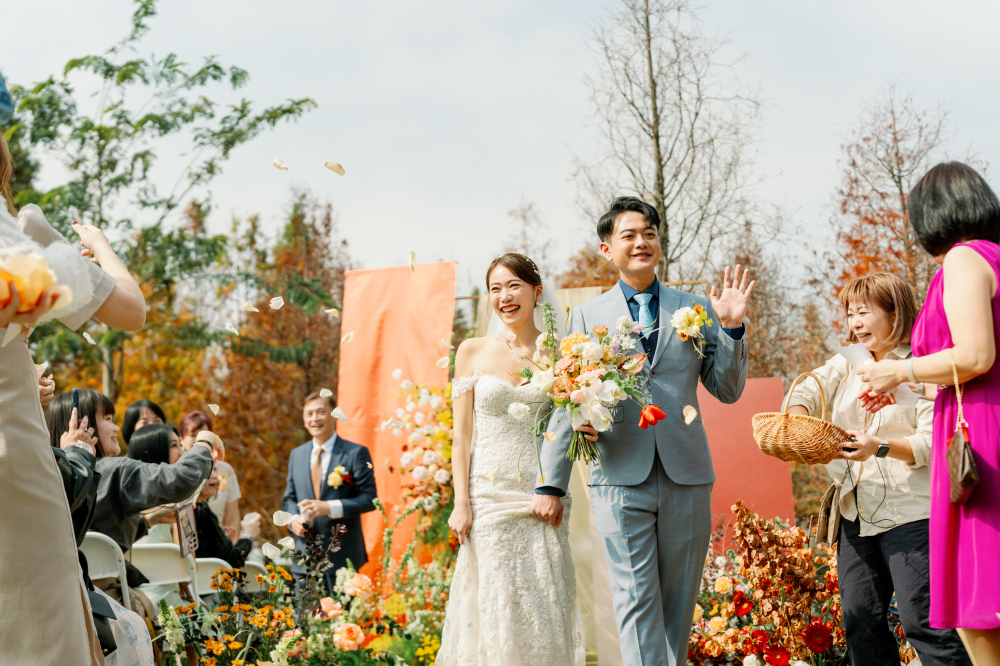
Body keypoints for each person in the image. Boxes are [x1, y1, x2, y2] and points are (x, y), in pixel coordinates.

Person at [537, 197, 751, 666]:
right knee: (635, 601)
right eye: (629, 235)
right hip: (618, 474)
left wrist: (731, 329)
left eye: (649, 234)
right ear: (606, 248)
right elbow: (564, 402)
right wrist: (551, 482)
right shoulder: (585, 318)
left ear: (660, 243)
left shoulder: (698, 309)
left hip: (687, 474)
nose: (641, 242)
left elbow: (727, 390)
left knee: (679, 605)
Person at [1, 103, 146, 666]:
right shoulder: (18, 246)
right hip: (12, 473)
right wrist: (84, 244)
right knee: (41, 633)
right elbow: (131, 311)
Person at [786, 272, 971, 665]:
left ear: (894, 313)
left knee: (923, 624)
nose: (854, 322)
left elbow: (930, 443)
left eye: (864, 312)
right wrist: (799, 414)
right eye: (850, 313)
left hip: (911, 514)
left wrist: (878, 447)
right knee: (861, 626)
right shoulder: (848, 361)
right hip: (856, 515)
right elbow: (808, 386)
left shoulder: (922, 366)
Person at [859, 162, 1000, 663]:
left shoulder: (963, 260)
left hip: (981, 436)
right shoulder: (995, 258)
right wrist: (916, 387)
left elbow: (977, 355)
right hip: (977, 412)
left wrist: (900, 371)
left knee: (981, 596)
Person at [437, 253, 586, 665]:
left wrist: (552, 488)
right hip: (487, 500)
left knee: (541, 607)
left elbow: (567, 427)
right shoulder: (470, 351)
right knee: (493, 607)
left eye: (513, 285)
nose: (504, 296)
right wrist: (461, 502)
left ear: (537, 293)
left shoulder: (562, 354)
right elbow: (461, 434)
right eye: (495, 289)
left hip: (539, 498)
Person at [282, 392, 377, 592]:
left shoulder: (356, 453)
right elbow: (289, 498)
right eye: (309, 414)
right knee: (303, 622)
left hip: (342, 556)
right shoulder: (296, 455)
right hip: (303, 558)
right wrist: (293, 521)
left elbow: (370, 499)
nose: (314, 419)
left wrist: (329, 507)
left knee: (343, 622)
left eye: (320, 412)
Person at [180, 410, 242, 541]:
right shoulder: (177, 470)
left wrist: (232, 550)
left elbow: (233, 517)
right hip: (186, 543)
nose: (199, 441)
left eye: (205, 436)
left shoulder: (225, 471)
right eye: (193, 435)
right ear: (181, 439)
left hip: (218, 546)